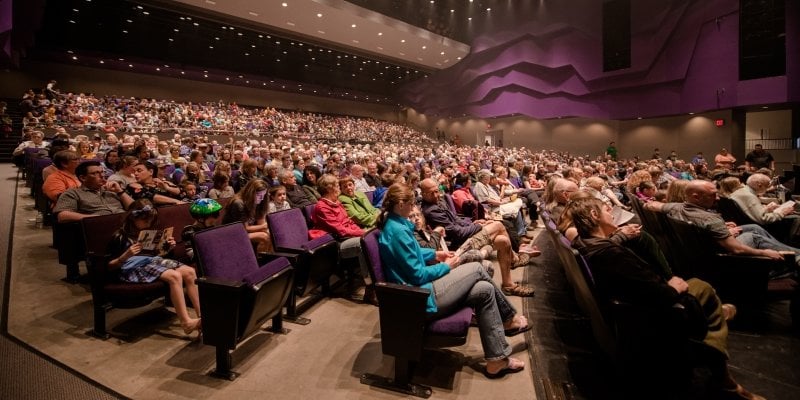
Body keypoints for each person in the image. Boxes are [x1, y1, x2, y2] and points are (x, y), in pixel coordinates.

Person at [567, 197, 762, 400]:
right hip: (653, 316)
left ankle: (717, 314)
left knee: (701, 288)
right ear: (594, 215)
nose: (613, 214)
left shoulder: (585, 242)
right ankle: (723, 377)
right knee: (702, 287)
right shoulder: (610, 253)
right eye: (608, 210)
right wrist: (673, 289)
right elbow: (656, 294)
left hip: (635, 305)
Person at [377, 183, 529, 378]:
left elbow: (409, 254)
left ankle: (496, 360)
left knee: (484, 289)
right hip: (418, 297)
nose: (414, 208)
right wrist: (446, 267)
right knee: (476, 268)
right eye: (411, 203)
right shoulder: (397, 231)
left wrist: (435, 253)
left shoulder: (397, 224)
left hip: (422, 289)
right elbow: (417, 275)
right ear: (400, 204)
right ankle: (508, 318)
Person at [645, 180, 799, 277]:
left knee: (752, 227)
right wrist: (765, 252)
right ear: (695, 197)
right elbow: (736, 250)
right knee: (754, 236)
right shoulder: (711, 219)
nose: (718, 198)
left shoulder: (675, 207)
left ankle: (792, 254)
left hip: (700, 250)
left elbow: (651, 205)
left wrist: (647, 204)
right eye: (713, 195)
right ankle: (795, 257)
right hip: (717, 258)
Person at [419, 178, 536, 297]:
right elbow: (457, 233)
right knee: (498, 225)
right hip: (457, 245)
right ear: (423, 194)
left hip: (465, 236)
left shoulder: (438, 201)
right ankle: (514, 259)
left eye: (437, 191)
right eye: (431, 193)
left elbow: (456, 220)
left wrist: (474, 223)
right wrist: (478, 226)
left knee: (503, 241)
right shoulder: (431, 211)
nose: (436, 195)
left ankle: (508, 285)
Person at [106, 199, 202, 336]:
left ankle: (202, 316)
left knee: (190, 272)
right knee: (175, 276)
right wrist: (125, 256)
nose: (148, 224)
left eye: (151, 221)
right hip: (132, 268)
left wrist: (168, 247)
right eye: (146, 221)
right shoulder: (120, 237)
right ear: (134, 217)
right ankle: (186, 322)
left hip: (151, 261)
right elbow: (109, 266)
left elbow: (159, 254)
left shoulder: (148, 233)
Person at [311, 174, 370, 298]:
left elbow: (349, 222)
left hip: (347, 237)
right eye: (337, 185)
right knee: (364, 243)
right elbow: (340, 230)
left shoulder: (336, 202)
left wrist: (362, 231)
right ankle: (370, 288)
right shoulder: (321, 207)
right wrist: (362, 233)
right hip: (335, 243)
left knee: (372, 238)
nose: (339, 188)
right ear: (329, 189)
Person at [222, 178, 273, 253]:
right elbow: (244, 228)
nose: (262, 198)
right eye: (259, 195)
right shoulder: (238, 203)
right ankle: (257, 261)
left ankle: (265, 259)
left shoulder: (259, 201)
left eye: (263, 195)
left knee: (271, 235)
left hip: (246, 231)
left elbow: (261, 223)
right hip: (233, 233)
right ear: (251, 193)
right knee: (264, 236)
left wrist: (265, 227)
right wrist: (265, 226)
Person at [181, 198, 224, 263]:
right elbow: (192, 255)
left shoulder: (212, 227)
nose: (217, 219)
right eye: (215, 215)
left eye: (217, 214)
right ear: (201, 219)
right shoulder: (189, 231)